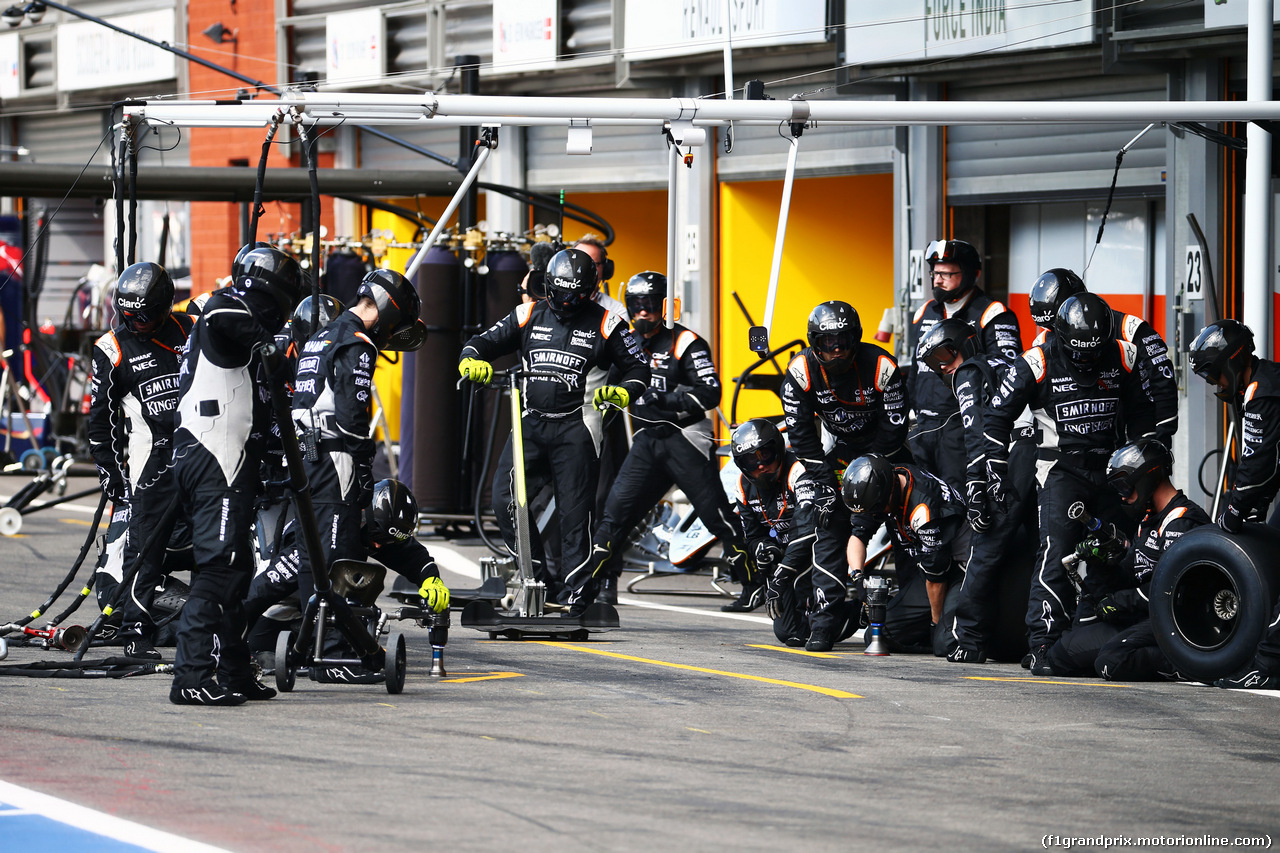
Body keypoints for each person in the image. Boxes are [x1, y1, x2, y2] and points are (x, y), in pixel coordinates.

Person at [459, 248, 650, 603]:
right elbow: (480, 344)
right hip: (530, 423)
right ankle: (535, 578)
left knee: (575, 517)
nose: (566, 301)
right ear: (547, 285)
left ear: (590, 289)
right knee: (505, 500)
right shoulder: (527, 313)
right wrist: (472, 361)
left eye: (575, 294)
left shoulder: (608, 323)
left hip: (578, 430)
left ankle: (579, 591)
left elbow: (640, 369)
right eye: (559, 292)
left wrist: (624, 392)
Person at [565, 272, 758, 613]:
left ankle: (753, 584)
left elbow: (711, 392)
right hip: (647, 441)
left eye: (651, 305)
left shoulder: (687, 343)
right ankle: (590, 589)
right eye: (636, 306)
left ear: (667, 306)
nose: (644, 313)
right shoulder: (624, 341)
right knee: (613, 516)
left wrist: (666, 399)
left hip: (686, 438)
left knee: (718, 518)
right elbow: (607, 385)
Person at [984, 292, 1156, 675]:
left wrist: (1143, 457)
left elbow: (1145, 413)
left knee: (1118, 549)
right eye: (1078, 352)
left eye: (1094, 351)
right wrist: (995, 464)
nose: (1086, 359)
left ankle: (1102, 629)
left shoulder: (1125, 355)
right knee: (1057, 552)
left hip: (1113, 469)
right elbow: (995, 416)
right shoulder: (1036, 361)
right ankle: (1043, 642)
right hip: (1060, 470)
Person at [169, 246, 302, 706]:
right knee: (220, 567)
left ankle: (233, 670)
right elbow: (223, 314)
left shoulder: (236, 324)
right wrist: (268, 346)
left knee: (238, 569)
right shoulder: (224, 307)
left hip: (221, 457)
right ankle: (191, 676)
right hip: (213, 456)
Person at [291, 269, 428, 609]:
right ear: (390, 311)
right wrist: (365, 468)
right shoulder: (358, 342)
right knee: (340, 555)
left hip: (303, 458)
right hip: (333, 459)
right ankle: (335, 648)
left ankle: (310, 642)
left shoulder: (321, 337)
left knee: (312, 557)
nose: (392, 333)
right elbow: (352, 416)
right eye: (396, 326)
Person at [781, 300, 909, 651]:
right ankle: (824, 624)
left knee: (910, 518)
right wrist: (826, 480)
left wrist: (871, 472)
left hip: (887, 452)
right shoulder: (800, 371)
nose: (836, 351)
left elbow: (895, 429)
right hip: (834, 457)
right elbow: (801, 438)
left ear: (856, 339)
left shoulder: (883, 366)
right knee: (827, 524)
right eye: (827, 343)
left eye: (843, 341)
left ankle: (913, 615)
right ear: (814, 343)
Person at [87, 262, 194, 661]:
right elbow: (100, 423)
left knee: (220, 545)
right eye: (125, 312)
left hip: (202, 456)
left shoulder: (190, 328)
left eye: (142, 315)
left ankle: (217, 630)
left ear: (165, 307)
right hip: (151, 467)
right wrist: (111, 475)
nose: (133, 321)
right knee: (142, 553)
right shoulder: (111, 349)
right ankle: (137, 632)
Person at [915, 318, 1036, 662]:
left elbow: (977, 436)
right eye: (935, 364)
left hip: (1010, 457)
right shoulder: (1011, 362)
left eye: (945, 355)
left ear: (965, 344)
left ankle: (967, 638)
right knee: (1042, 549)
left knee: (985, 546)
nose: (944, 367)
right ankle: (1043, 638)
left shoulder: (969, 372)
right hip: (1044, 456)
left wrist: (977, 489)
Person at [1041, 439, 1210, 680]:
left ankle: (1187, 666)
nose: (1123, 497)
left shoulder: (1183, 520)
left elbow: (1174, 588)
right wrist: (1100, 562)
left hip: (1174, 621)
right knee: (1061, 655)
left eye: (1124, 486)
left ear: (1148, 477)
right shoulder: (1147, 523)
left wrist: (1121, 602)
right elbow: (1127, 576)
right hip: (1142, 618)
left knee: (1112, 662)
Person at [244, 479, 450, 665]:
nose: (379, 546)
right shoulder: (326, 530)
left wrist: (431, 580)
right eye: (376, 538)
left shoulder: (377, 528)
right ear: (364, 518)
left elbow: (413, 557)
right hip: (282, 601)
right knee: (261, 645)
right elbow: (262, 591)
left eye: (387, 541)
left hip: (327, 604)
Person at [1188, 320, 1280, 689]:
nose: (1215, 385)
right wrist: (1253, 503)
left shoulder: (1263, 391)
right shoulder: (1262, 385)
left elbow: (1259, 463)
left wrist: (1237, 510)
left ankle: (1270, 666)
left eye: (1214, 377)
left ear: (1230, 363)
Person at [729, 419, 856, 645]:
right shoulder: (741, 486)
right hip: (784, 556)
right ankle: (836, 613)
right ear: (741, 464)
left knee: (817, 628)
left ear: (778, 449)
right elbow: (751, 536)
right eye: (751, 460)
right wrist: (763, 548)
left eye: (765, 455)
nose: (760, 465)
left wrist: (782, 574)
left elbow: (806, 527)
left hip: (813, 547)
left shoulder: (798, 470)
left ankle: (856, 611)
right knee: (789, 633)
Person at [908, 239, 1021, 493]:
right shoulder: (924, 313)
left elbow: (1008, 375)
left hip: (964, 430)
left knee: (962, 502)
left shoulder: (992, 313)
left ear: (972, 274)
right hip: (922, 430)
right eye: (935, 272)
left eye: (948, 273)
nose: (938, 280)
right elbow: (915, 372)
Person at [1028, 268, 1178, 446]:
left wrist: (1161, 436)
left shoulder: (1130, 329)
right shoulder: (1043, 341)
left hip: (1130, 435)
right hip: (1070, 450)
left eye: (1057, 322)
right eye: (1051, 325)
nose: (1056, 331)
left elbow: (1162, 379)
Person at [841, 454, 968, 653]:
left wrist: (935, 625)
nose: (873, 515)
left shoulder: (923, 508)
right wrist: (858, 578)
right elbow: (857, 538)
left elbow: (936, 577)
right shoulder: (883, 482)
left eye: (875, 510)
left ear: (888, 492)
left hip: (961, 568)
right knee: (878, 635)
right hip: (929, 570)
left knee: (944, 645)